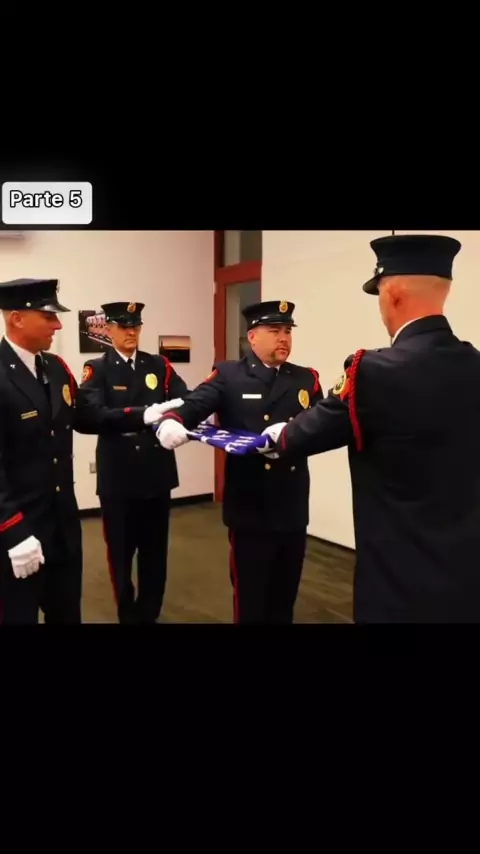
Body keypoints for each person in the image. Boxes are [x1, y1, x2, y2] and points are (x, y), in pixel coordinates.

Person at [262, 234, 480, 623]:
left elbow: (300, 435)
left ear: (392, 294)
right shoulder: (474, 365)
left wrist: (275, 434)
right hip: (466, 577)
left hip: (399, 583)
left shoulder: (373, 372)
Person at [0, 279, 166, 625]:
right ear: (17, 318)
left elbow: (87, 418)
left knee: (66, 614)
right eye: (48, 317)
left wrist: (146, 414)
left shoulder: (56, 368)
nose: (58, 325)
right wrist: (12, 530)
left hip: (62, 526)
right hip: (19, 531)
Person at [155, 300, 324, 624]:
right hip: (250, 506)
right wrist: (173, 420)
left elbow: (322, 425)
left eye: (287, 331)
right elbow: (195, 404)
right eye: (274, 330)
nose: (283, 338)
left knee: (285, 597)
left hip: (291, 503)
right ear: (252, 336)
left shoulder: (305, 379)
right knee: (251, 599)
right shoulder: (229, 375)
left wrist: (292, 440)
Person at [79, 301, 189, 624]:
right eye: (124, 326)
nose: (131, 332)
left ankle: (149, 614)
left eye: (135, 326)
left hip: (156, 474)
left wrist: (176, 419)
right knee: (121, 556)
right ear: (109, 329)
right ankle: (127, 615)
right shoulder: (97, 369)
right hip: (119, 478)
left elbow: (184, 399)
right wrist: (143, 415)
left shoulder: (158, 366)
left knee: (155, 555)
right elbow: (91, 415)